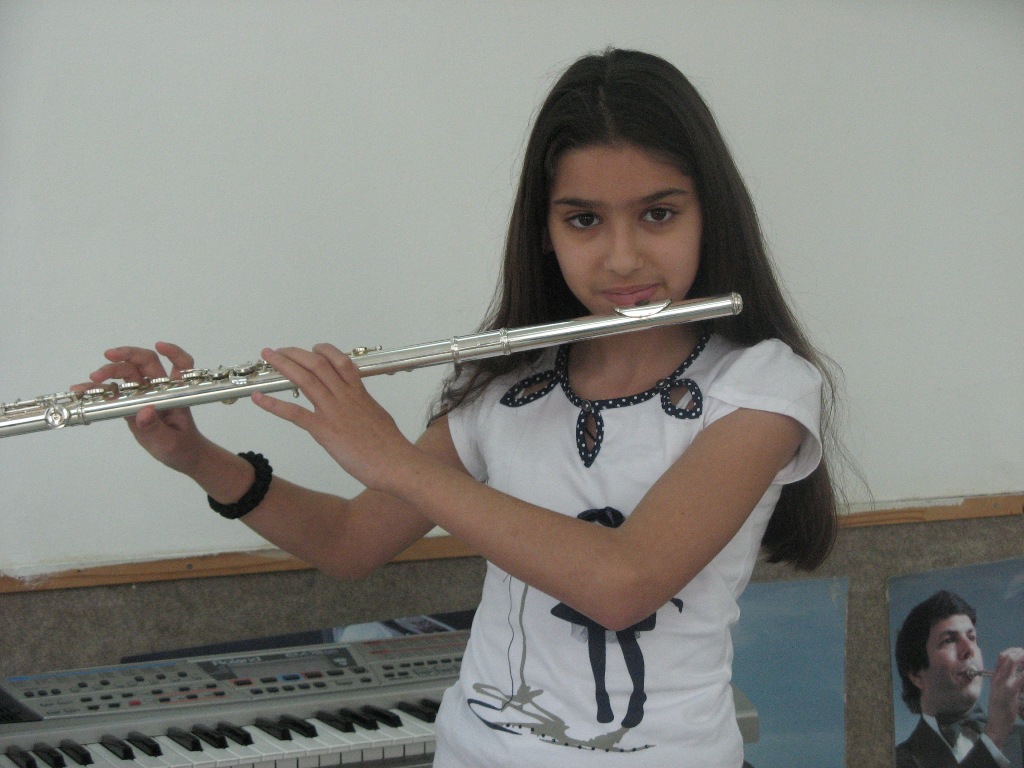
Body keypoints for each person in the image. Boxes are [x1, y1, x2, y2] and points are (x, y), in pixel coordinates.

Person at [83, 49, 844, 767]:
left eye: (658, 214)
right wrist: (196, 457)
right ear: (545, 231)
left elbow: (624, 584)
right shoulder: (505, 386)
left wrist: (396, 461)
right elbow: (350, 542)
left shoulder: (763, 387)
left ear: (710, 213)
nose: (622, 257)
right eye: (583, 220)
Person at [894, 590, 1024, 768]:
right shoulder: (900, 760)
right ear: (917, 674)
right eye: (949, 640)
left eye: (971, 637)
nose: (969, 649)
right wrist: (994, 735)